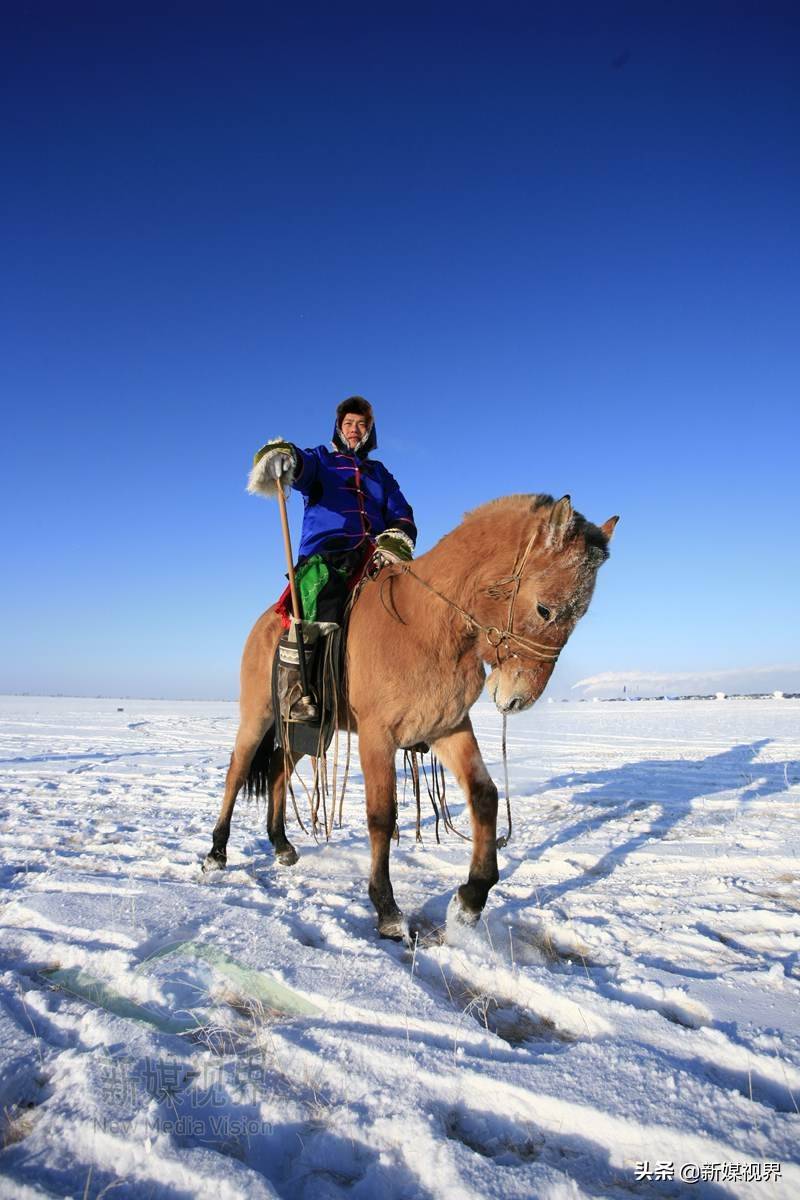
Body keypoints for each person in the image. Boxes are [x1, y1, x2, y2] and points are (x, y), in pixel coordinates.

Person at [247, 396, 416, 626]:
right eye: (348, 423)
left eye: (361, 423)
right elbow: (302, 465)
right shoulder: (321, 460)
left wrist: (395, 542)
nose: (354, 429)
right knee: (323, 598)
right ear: (339, 428)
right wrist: (285, 456)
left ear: (369, 430)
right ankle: (302, 654)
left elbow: (400, 512)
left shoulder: (380, 473)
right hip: (328, 554)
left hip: (377, 554)